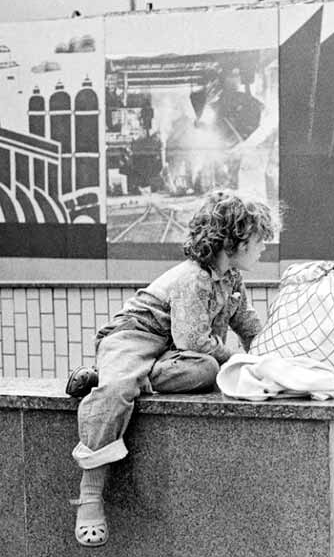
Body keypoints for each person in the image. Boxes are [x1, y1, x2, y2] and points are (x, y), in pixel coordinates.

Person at [67, 190, 278, 547]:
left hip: (171, 352)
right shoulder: (193, 278)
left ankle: (112, 377)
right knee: (119, 391)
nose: (263, 247)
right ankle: (90, 493)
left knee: (205, 370)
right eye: (258, 239)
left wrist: (276, 357)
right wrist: (242, 360)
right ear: (233, 241)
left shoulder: (230, 279)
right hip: (134, 336)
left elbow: (248, 325)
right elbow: (195, 341)